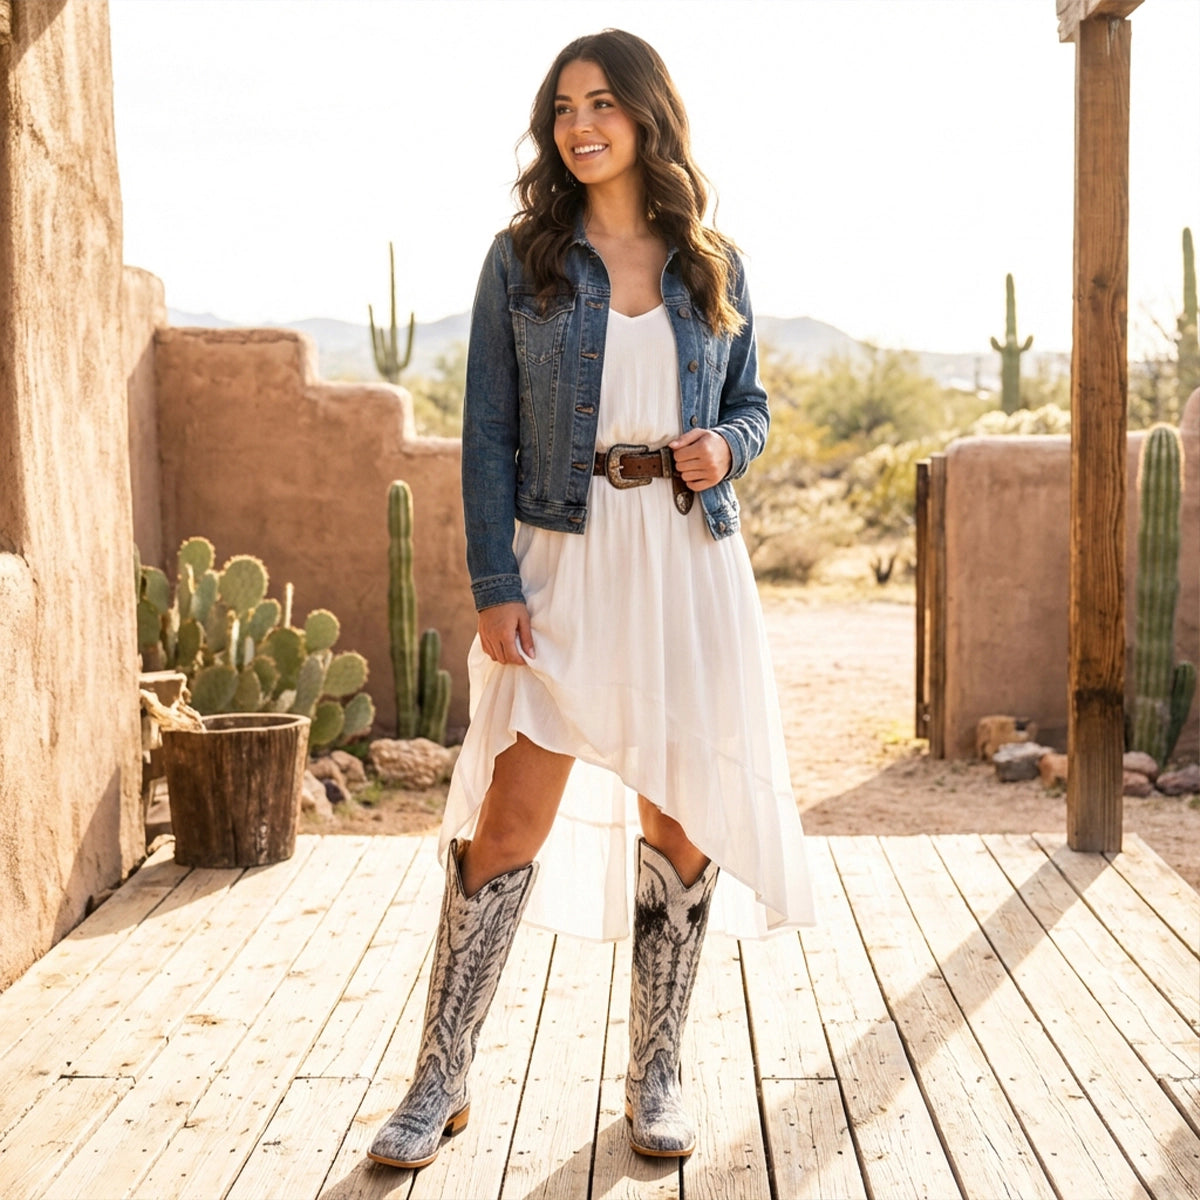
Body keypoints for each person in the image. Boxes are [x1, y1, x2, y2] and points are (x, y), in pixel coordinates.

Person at [368, 28, 814, 1171]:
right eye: (563, 105)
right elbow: (486, 435)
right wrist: (493, 583)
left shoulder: (711, 261)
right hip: (561, 559)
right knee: (509, 817)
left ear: (647, 116)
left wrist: (728, 442)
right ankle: (441, 1075)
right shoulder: (523, 260)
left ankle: (655, 1067)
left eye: (603, 102)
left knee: (680, 819)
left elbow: (754, 403)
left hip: (685, 561)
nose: (580, 124)